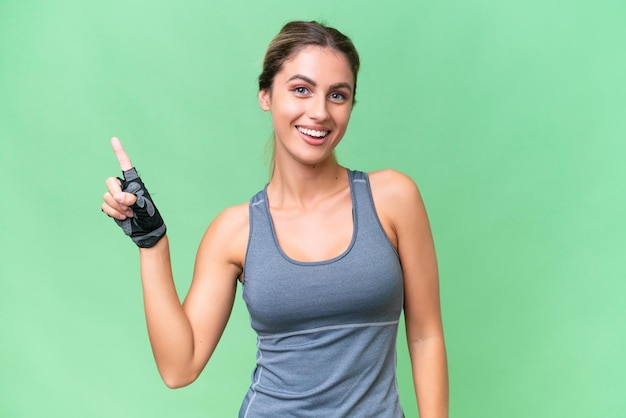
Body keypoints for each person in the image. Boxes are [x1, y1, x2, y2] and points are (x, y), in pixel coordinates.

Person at [101, 20, 448, 417]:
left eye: (338, 95)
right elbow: (180, 367)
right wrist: (152, 244)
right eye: (301, 89)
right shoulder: (235, 231)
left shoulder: (393, 198)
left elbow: (425, 336)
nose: (319, 112)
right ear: (266, 95)